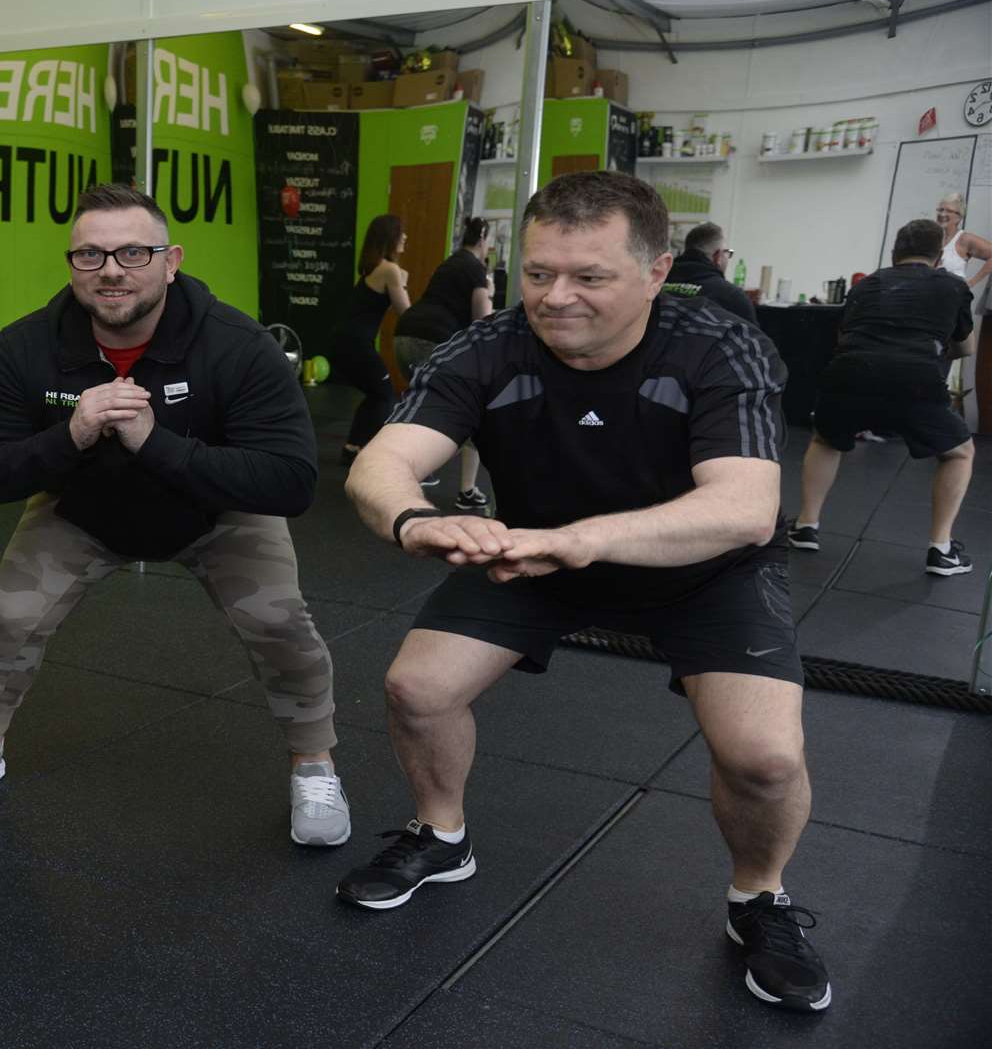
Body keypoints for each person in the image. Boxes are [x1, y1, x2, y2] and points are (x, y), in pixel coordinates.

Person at [343, 171, 830, 1012]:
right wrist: (414, 523)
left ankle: (760, 896)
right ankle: (441, 833)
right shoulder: (483, 347)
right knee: (416, 686)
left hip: (704, 568)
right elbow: (380, 464)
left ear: (655, 271)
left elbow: (747, 509)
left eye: (589, 277)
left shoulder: (721, 345)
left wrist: (583, 539)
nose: (555, 297)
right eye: (538, 273)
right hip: (533, 556)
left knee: (765, 757)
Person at [0, 183, 345, 847]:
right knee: (6, 618)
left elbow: (292, 483)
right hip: (83, 508)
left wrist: (156, 443)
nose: (111, 270)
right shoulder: (25, 348)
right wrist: (71, 436)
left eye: (132, 253)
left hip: (214, 509)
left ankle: (314, 761)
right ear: (71, 264)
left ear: (170, 261)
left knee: (280, 621)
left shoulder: (235, 344)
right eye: (90, 255)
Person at [788, 219, 977, 576]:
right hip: (915, 377)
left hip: (850, 370)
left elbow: (844, 335)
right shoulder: (953, 286)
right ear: (938, 256)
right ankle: (941, 549)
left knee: (825, 438)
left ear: (894, 253)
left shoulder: (868, 284)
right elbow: (964, 347)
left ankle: (805, 527)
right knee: (960, 452)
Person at [394, 215, 494, 511]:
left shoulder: (450, 263)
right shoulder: (476, 269)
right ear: (482, 240)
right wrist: (488, 289)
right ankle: (466, 491)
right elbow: (483, 319)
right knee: (473, 410)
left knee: (425, 406)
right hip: (434, 341)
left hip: (403, 335)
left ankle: (413, 470)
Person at [335, 214, 413, 467]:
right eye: (401, 233)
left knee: (376, 395)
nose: (405, 237)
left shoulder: (375, 268)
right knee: (385, 396)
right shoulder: (388, 270)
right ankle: (366, 452)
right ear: (390, 237)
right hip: (355, 345)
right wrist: (403, 283)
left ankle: (352, 448)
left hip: (348, 343)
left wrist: (401, 281)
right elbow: (406, 312)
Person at [663, 221, 756, 323]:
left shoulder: (657, 282)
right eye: (727, 253)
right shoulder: (732, 297)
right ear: (718, 257)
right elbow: (754, 337)